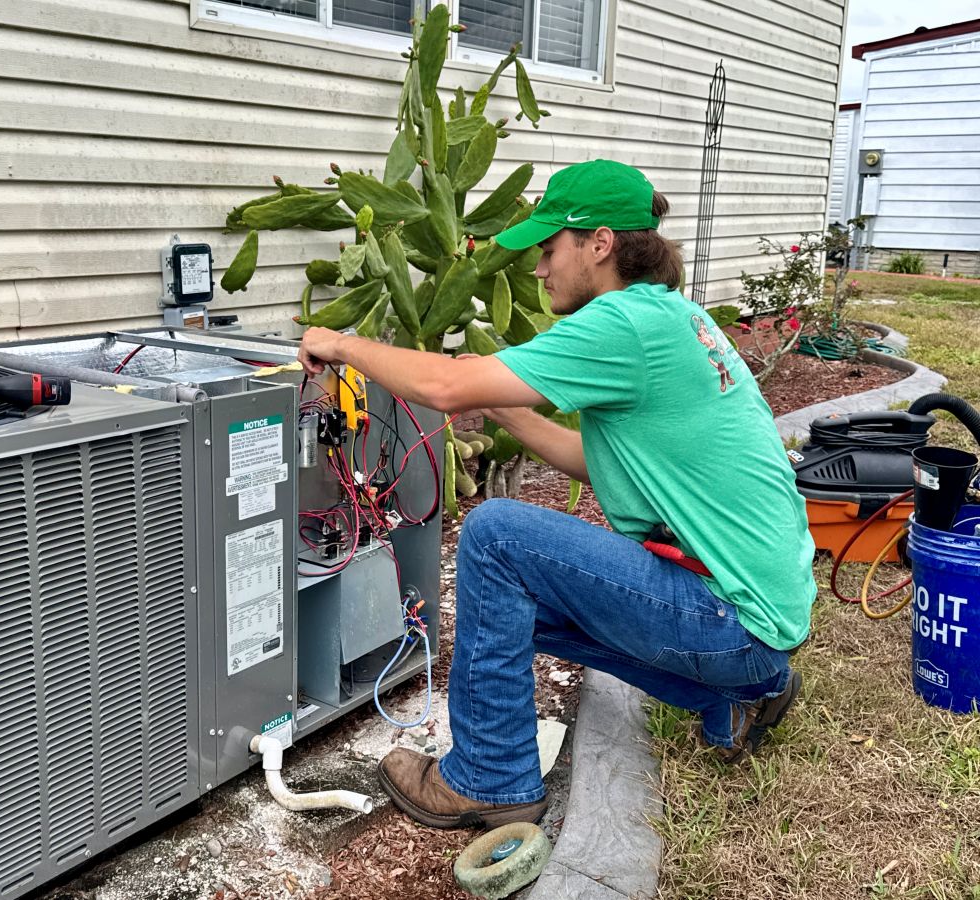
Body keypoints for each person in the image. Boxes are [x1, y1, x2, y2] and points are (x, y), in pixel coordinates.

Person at [297, 159, 816, 830]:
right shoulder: (671, 318)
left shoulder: (621, 324)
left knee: (494, 536)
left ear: (599, 244)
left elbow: (448, 386)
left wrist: (339, 343)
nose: (540, 269)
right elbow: (594, 462)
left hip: (730, 618)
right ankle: (741, 694)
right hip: (758, 622)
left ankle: (489, 779)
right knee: (509, 613)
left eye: (549, 249)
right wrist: (509, 409)